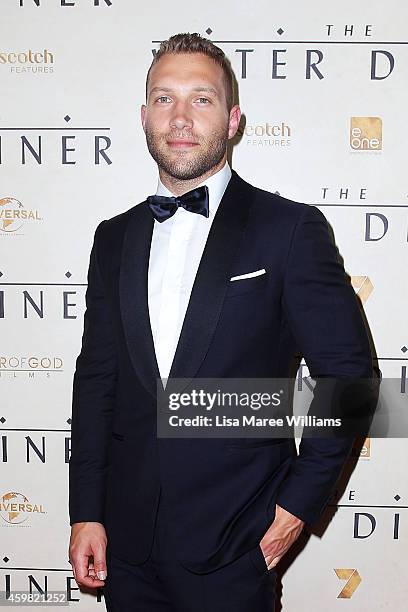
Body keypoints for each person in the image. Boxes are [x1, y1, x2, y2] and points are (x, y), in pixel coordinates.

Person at [68, 32, 373, 611]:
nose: (180, 117)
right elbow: (97, 383)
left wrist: (294, 512)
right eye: (164, 98)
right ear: (143, 115)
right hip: (126, 550)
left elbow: (352, 381)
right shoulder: (114, 238)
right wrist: (86, 511)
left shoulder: (290, 230)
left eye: (201, 99)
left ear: (233, 119)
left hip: (236, 546)